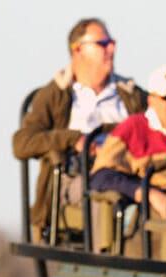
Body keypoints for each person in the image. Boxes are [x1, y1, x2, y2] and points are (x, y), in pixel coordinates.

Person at [12, 18, 145, 233]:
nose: (111, 48)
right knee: (103, 196)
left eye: (112, 43)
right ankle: (104, 261)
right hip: (79, 177)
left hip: (130, 170)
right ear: (78, 50)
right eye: (102, 44)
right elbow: (22, 143)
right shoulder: (57, 94)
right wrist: (74, 140)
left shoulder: (130, 94)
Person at [90, 65, 166, 220]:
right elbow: (101, 176)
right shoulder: (133, 128)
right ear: (152, 101)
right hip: (150, 213)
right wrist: (147, 193)